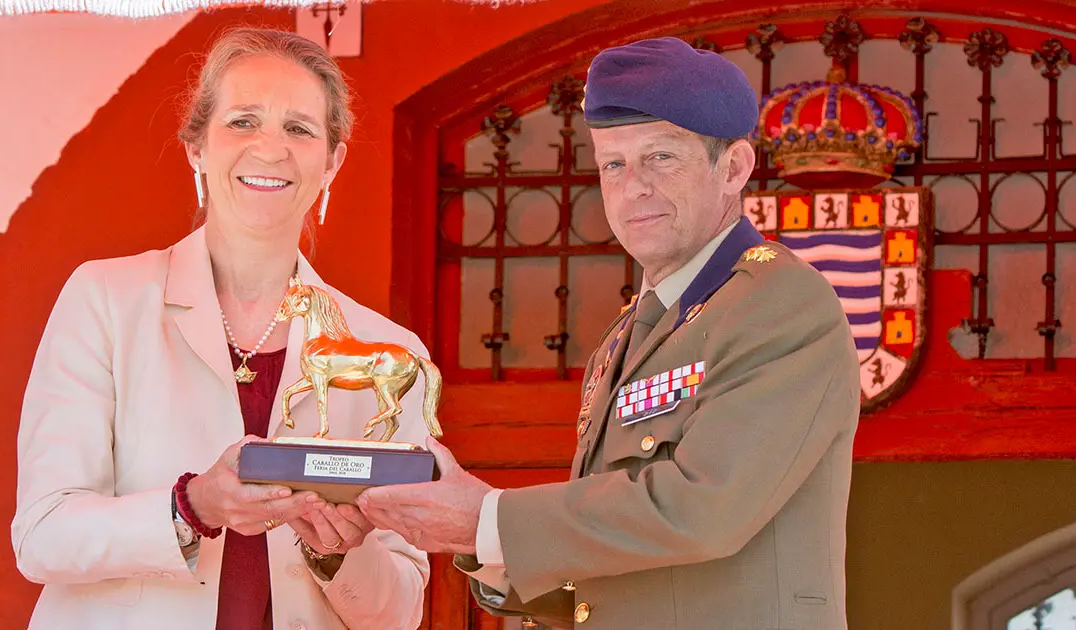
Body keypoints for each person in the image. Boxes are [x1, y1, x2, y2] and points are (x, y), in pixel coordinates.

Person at [357, 37, 860, 629]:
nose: (633, 187)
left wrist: (486, 519)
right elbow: (606, 578)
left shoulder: (778, 302)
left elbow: (704, 509)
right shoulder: (625, 340)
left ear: (734, 168)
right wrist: (473, 545)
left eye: (661, 158)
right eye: (613, 164)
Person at [11, 27, 429, 630]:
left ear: (332, 160)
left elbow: (401, 612)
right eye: (242, 122)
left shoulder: (389, 353)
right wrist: (192, 506)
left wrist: (339, 554)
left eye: (300, 129)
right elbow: (42, 535)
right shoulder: (104, 300)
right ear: (196, 146)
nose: (270, 148)